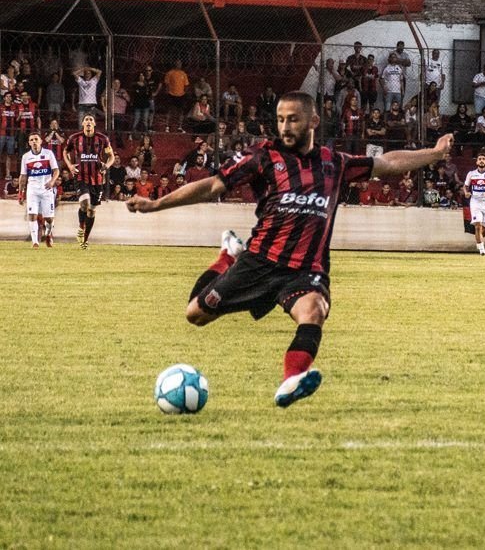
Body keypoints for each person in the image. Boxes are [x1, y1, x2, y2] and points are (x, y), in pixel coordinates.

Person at [126, 90, 455, 408]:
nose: (284, 126)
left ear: (313, 121)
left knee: (313, 311)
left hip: (305, 269)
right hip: (258, 262)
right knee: (195, 314)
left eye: (293, 119)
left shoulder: (335, 163)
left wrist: (436, 153)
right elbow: (213, 185)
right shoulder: (262, 156)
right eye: (281, 119)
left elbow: (388, 163)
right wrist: (156, 204)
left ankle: (291, 381)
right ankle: (228, 256)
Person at [63, 114, 114, 249]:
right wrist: (70, 165)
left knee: (91, 211)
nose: (89, 122)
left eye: (91, 120)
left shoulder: (103, 139)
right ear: (83, 123)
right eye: (86, 119)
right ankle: (81, 228)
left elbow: (111, 157)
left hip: (97, 179)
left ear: (95, 124)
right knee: (85, 203)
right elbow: (65, 152)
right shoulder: (74, 138)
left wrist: (106, 166)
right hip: (81, 176)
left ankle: (84, 240)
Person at [18, 131, 60, 248]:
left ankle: (48, 234)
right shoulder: (26, 157)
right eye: (31, 140)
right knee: (32, 215)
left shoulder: (48, 153)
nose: (34, 142)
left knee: (49, 218)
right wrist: (21, 193)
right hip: (32, 190)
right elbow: (23, 176)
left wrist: (52, 182)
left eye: (36, 139)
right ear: (29, 143)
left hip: (47, 189)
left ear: (41, 141)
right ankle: (35, 242)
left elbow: (56, 170)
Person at [159, 60, 190, 132]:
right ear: (175, 64)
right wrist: (168, 93)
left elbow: (186, 85)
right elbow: (166, 84)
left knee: (181, 111)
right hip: (171, 94)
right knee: (169, 110)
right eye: (177, 63)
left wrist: (185, 92)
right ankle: (167, 126)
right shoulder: (170, 73)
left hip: (181, 95)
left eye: (180, 64)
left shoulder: (183, 74)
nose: (179, 65)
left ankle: (180, 127)